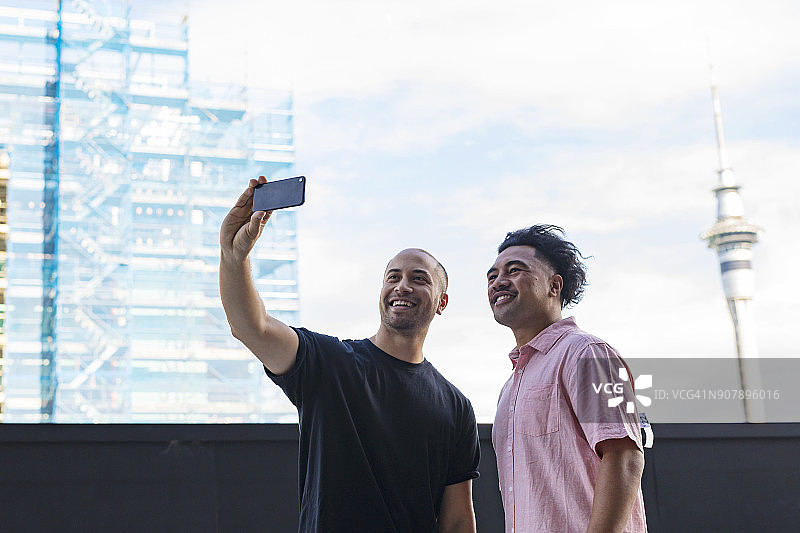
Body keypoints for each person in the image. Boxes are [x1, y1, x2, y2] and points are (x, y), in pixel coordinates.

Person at [219, 176, 480, 533]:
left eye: (418, 278)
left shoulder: (456, 406)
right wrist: (234, 256)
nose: (401, 286)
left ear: (441, 302)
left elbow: (457, 522)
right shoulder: (329, 362)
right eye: (393, 277)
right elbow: (252, 327)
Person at [487, 224, 647, 533]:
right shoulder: (511, 385)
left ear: (554, 286)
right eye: (492, 276)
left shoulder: (588, 353)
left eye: (514, 270)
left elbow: (624, 456)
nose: (499, 282)